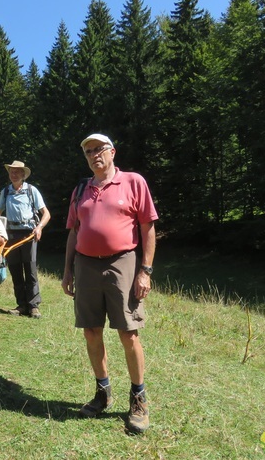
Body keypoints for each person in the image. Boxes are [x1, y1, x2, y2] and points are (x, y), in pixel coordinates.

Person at [61, 133, 158, 433]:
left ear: (112, 152)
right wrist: (67, 271)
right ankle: (102, 393)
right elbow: (73, 233)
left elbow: (148, 228)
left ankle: (138, 398)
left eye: (98, 149)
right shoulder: (81, 189)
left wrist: (145, 270)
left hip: (123, 263)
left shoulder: (133, 182)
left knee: (128, 332)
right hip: (86, 265)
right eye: (88, 152)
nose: (93, 155)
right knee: (91, 331)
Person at [0, 160, 51, 319]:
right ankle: (21, 305)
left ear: (23, 175)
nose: (13, 174)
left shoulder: (32, 190)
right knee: (15, 270)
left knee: (30, 270)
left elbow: (46, 213)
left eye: (17, 172)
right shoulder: (5, 192)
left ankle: (33, 306)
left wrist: (39, 227)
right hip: (10, 234)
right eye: (11, 171)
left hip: (28, 234)